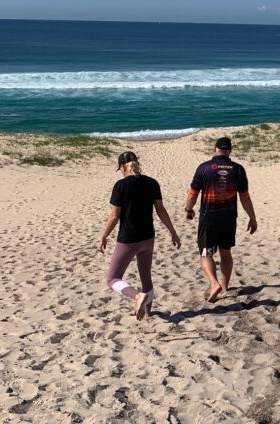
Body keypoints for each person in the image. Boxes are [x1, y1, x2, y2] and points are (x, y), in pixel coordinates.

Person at [99, 151, 181, 320]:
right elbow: (161, 210)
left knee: (113, 278)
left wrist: (104, 236)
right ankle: (148, 312)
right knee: (146, 277)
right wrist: (172, 232)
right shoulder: (152, 183)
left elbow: (114, 216)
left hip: (128, 239)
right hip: (148, 237)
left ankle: (136, 297)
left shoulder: (121, 186)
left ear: (123, 167)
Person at [185, 136, 258, 302]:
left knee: (206, 253)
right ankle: (224, 287)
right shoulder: (238, 169)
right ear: (230, 151)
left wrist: (188, 209)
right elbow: (245, 197)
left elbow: (192, 194)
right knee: (226, 253)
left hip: (208, 217)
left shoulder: (204, 168)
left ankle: (214, 283)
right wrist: (252, 217)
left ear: (214, 149)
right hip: (229, 217)